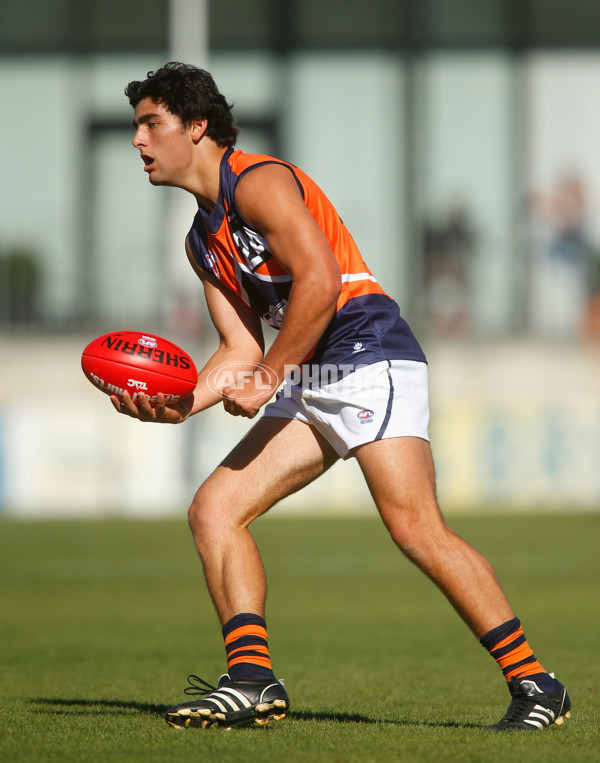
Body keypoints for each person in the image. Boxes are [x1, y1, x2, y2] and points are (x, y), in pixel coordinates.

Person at [116, 62, 570, 732]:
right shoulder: (199, 240)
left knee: (415, 527)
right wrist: (181, 401)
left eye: (151, 123)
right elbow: (238, 350)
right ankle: (251, 679)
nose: (138, 141)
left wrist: (270, 377)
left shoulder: (261, 182)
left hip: (367, 349)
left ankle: (537, 684)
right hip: (308, 370)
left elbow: (322, 284)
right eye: (137, 126)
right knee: (214, 510)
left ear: (197, 125)